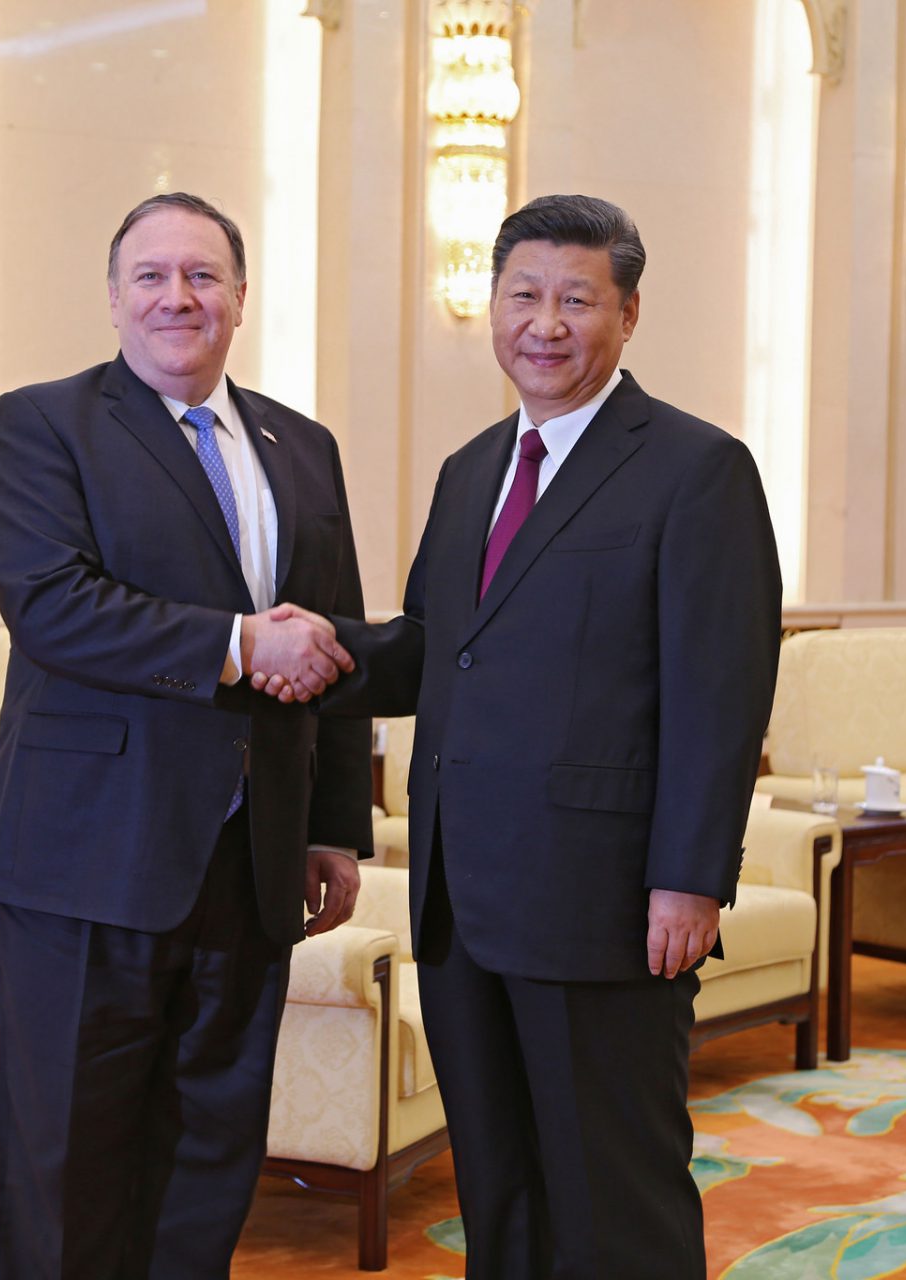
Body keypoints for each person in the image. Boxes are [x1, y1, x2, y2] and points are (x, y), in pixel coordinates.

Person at [258, 193, 782, 1277]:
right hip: (463, 901)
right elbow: (438, 648)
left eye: (577, 299)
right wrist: (325, 643)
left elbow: (719, 691)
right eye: (523, 295)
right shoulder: (471, 470)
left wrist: (691, 878)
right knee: (498, 1184)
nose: (546, 323)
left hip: (604, 901)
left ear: (628, 314)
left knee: (612, 1188)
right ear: (491, 306)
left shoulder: (696, 468)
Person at [0, 191, 373, 1279]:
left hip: (250, 862)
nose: (176, 296)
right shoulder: (41, 423)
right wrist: (241, 645)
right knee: (67, 1153)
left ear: (241, 297)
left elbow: (327, 644)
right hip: (86, 857)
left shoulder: (303, 446)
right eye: (150, 275)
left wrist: (333, 823)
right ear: (112, 298)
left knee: (211, 1143)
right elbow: (52, 604)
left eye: (202, 275)